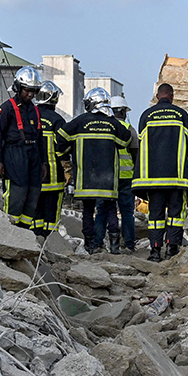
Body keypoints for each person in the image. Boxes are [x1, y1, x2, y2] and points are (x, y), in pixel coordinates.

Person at [57, 87, 132, 254]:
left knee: (88, 211)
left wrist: (65, 155)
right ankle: (114, 246)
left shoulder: (79, 122)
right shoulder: (113, 123)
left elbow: (60, 137)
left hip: (85, 178)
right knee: (111, 210)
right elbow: (126, 140)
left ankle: (89, 245)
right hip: (108, 179)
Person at [133, 82, 188, 262]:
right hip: (176, 178)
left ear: (158, 97)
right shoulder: (181, 115)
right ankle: (172, 248)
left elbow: (142, 145)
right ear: (172, 96)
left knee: (156, 216)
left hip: (153, 178)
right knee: (176, 214)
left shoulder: (146, 115)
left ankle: (155, 251)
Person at [0, 66, 45, 229]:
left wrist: (43, 163)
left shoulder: (35, 110)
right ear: (18, 88)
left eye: (33, 91)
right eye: (26, 90)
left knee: (33, 193)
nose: (29, 94)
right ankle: (10, 230)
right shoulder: (7, 107)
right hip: (14, 154)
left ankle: (24, 231)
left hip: (33, 154)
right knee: (17, 193)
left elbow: (40, 138)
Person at [95, 95, 139, 253]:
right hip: (126, 178)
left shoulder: (103, 127)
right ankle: (129, 244)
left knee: (102, 211)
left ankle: (97, 243)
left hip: (106, 177)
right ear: (123, 111)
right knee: (127, 212)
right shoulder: (129, 129)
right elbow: (136, 154)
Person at [32, 81, 66, 240]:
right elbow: (64, 148)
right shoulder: (57, 121)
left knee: (35, 212)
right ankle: (51, 243)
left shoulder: (29, 115)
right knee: (51, 215)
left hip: (33, 178)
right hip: (54, 178)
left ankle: (35, 240)